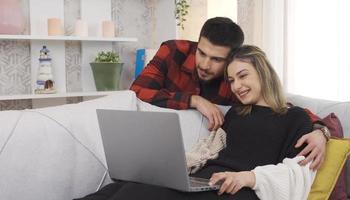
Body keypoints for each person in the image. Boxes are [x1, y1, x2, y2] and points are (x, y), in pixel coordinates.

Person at [76, 45, 315, 200]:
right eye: (232, 80)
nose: (237, 87)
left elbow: (298, 171)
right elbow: (211, 151)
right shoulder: (236, 113)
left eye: (243, 76)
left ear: (264, 73)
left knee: (142, 192)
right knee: (125, 187)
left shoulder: (296, 118)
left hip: (240, 189)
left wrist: (247, 177)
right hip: (208, 180)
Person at [130, 17, 327, 170]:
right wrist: (194, 100)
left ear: (231, 59)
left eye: (216, 59)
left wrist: (321, 131)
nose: (205, 65)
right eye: (202, 53)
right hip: (154, 148)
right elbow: (137, 91)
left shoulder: (235, 83)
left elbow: (280, 109)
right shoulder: (173, 50)